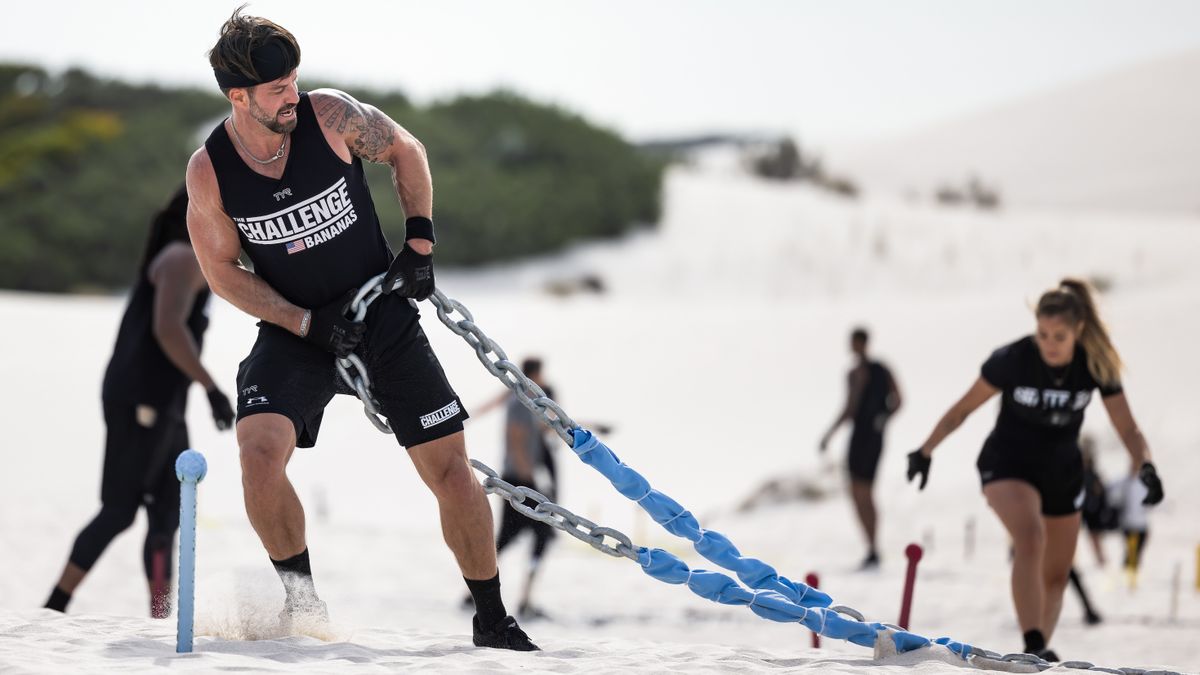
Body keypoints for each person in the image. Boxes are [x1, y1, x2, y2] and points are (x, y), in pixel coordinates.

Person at [184, 8, 535, 650]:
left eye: (293, 80)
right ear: (238, 96)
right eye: (275, 90)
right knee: (258, 455)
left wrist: (420, 244)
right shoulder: (211, 173)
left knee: (451, 470)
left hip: (383, 321)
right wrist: (302, 323)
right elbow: (222, 271)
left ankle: (492, 617)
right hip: (297, 333)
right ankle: (303, 607)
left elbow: (407, 150)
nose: (291, 95)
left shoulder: (329, 117)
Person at [905, 278, 1164, 661]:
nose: (1050, 344)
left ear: (1077, 330)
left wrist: (1146, 466)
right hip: (1007, 463)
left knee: (1057, 575)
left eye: (1059, 335)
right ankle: (1033, 643)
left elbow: (1127, 427)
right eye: (1043, 334)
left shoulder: (1096, 363)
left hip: (1062, 471)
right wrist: (925, 450)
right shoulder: (1014, 359)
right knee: (1030, 537)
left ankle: (1038, 654)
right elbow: (963, 409)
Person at [44, 185, 234, 618]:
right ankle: (54, 606)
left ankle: (161, 616)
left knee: (169, 511)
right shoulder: (181, 258)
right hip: (139, 399)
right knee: (119, 510)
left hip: (166, 402)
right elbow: (168, 330)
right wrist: (211, 388)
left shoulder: (197, 262)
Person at [819, 327, 901, 569]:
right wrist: (830, 434)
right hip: (860, 436)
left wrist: (883, 417)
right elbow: (850, 408)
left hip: (871, 437)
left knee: (865, 492)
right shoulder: (855, 372)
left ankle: (874, 547)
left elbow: (897, 400)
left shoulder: (878, 370)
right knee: (856, 492)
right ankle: (871, 546)